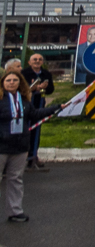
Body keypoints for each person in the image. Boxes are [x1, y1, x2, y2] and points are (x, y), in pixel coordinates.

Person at [0, 66, 66, 222]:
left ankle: (15, 211)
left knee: (15, 179)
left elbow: (35, 114)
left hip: (20, 146)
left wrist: (56, 108)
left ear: (20, 83)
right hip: (1, 145)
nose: (11, 83)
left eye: (15, 80)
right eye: (8, 80)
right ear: (3, 83)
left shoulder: (24, 100)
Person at [21, 54, 54, 171]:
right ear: (29, 62)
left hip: (39, 104)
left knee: (36, 131)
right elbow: (21, 89)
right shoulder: (24, 73)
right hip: (26, 105)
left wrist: (44, 87)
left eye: (40, 59)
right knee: (26, 131)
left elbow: (51, 90)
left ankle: (34, 156)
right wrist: (32, 88)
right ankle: (24, 156)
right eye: (35, 59)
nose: (37, 61)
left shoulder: (46, 74)